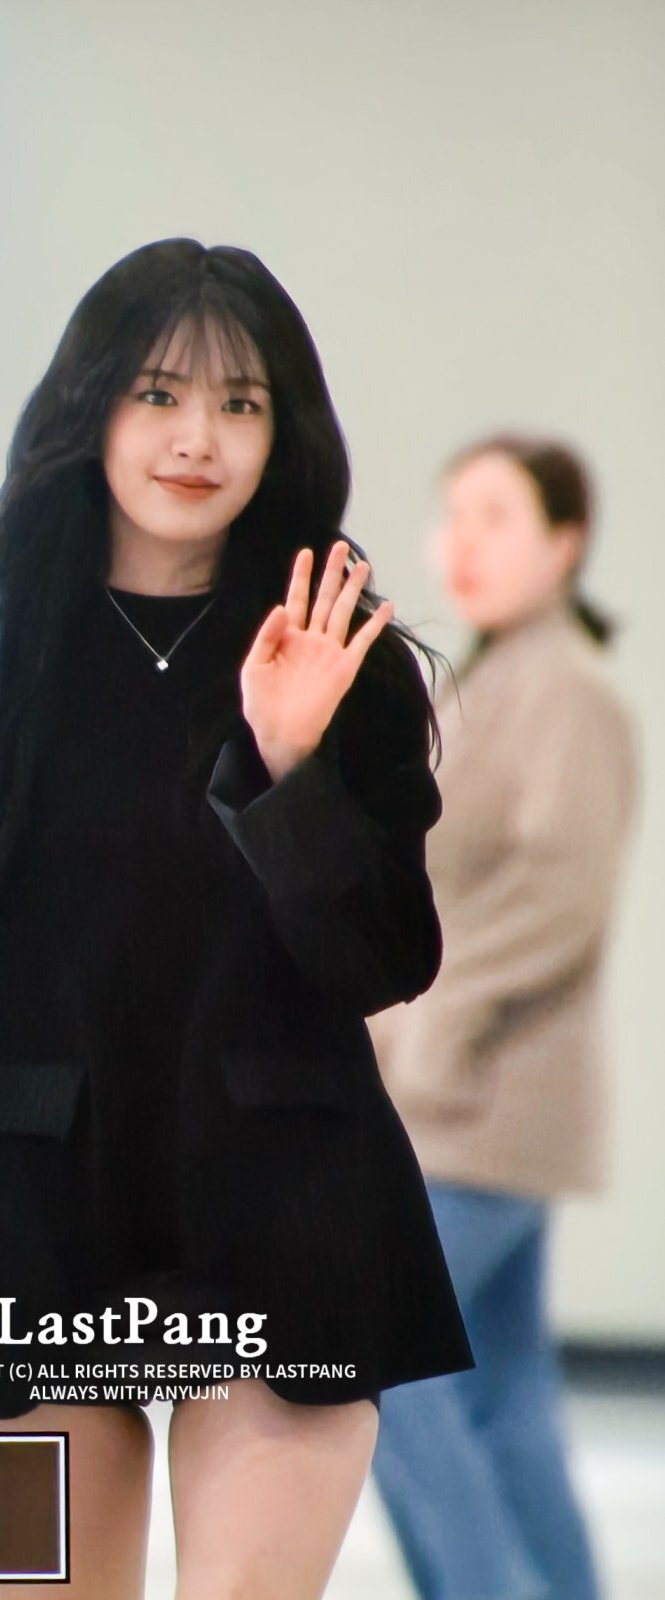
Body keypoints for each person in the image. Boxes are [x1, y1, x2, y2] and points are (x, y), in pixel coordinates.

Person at [0, 239, 474, 1600]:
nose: (198, 438)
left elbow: (384, 960)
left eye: (240, 403)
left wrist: (285, 767)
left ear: (284, 432)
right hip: (34, 1215)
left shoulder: (342, 664)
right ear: (89, 408)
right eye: (158, 394)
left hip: (284, 1213)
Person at [368, 434, 639, 1600]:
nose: (462, 543)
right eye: (454, 516)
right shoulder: (495, 680)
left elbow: (556, 896)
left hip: (479, 1099)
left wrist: (429, 1020)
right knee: (501, 1385)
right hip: (481, 1097)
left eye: (495, 517)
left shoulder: (563, 691)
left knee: (383, 1353)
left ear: (563, 543)